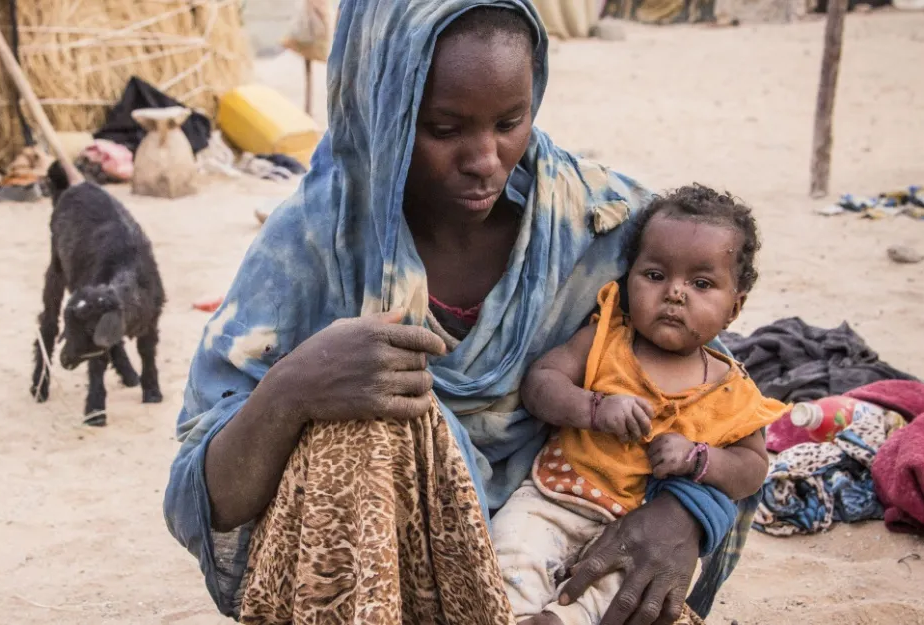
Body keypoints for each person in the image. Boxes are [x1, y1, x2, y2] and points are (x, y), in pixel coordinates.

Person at [164, 1, 757, 623]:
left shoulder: (602, 225)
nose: (485, 160)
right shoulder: (314, 247)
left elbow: (717, 395)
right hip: (383, 592)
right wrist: (292, 391)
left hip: (561, 566)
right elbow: (200, 499)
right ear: (381, 106)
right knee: (363, 426)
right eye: (444, 129)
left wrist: (686, 513)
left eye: (511, 121)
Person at [494, 185, 786, 625]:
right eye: (655, 275)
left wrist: (699, 459)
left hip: (636, 527)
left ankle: (557, 621)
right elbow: (541, 382)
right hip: (553, 500)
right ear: (628, 279)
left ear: (734, 309)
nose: (675, 293)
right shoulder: (606, 339)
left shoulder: (735, 392)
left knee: (615, 592)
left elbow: (752, 469)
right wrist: (594, 408)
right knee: (512, 552)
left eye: (701, 284)